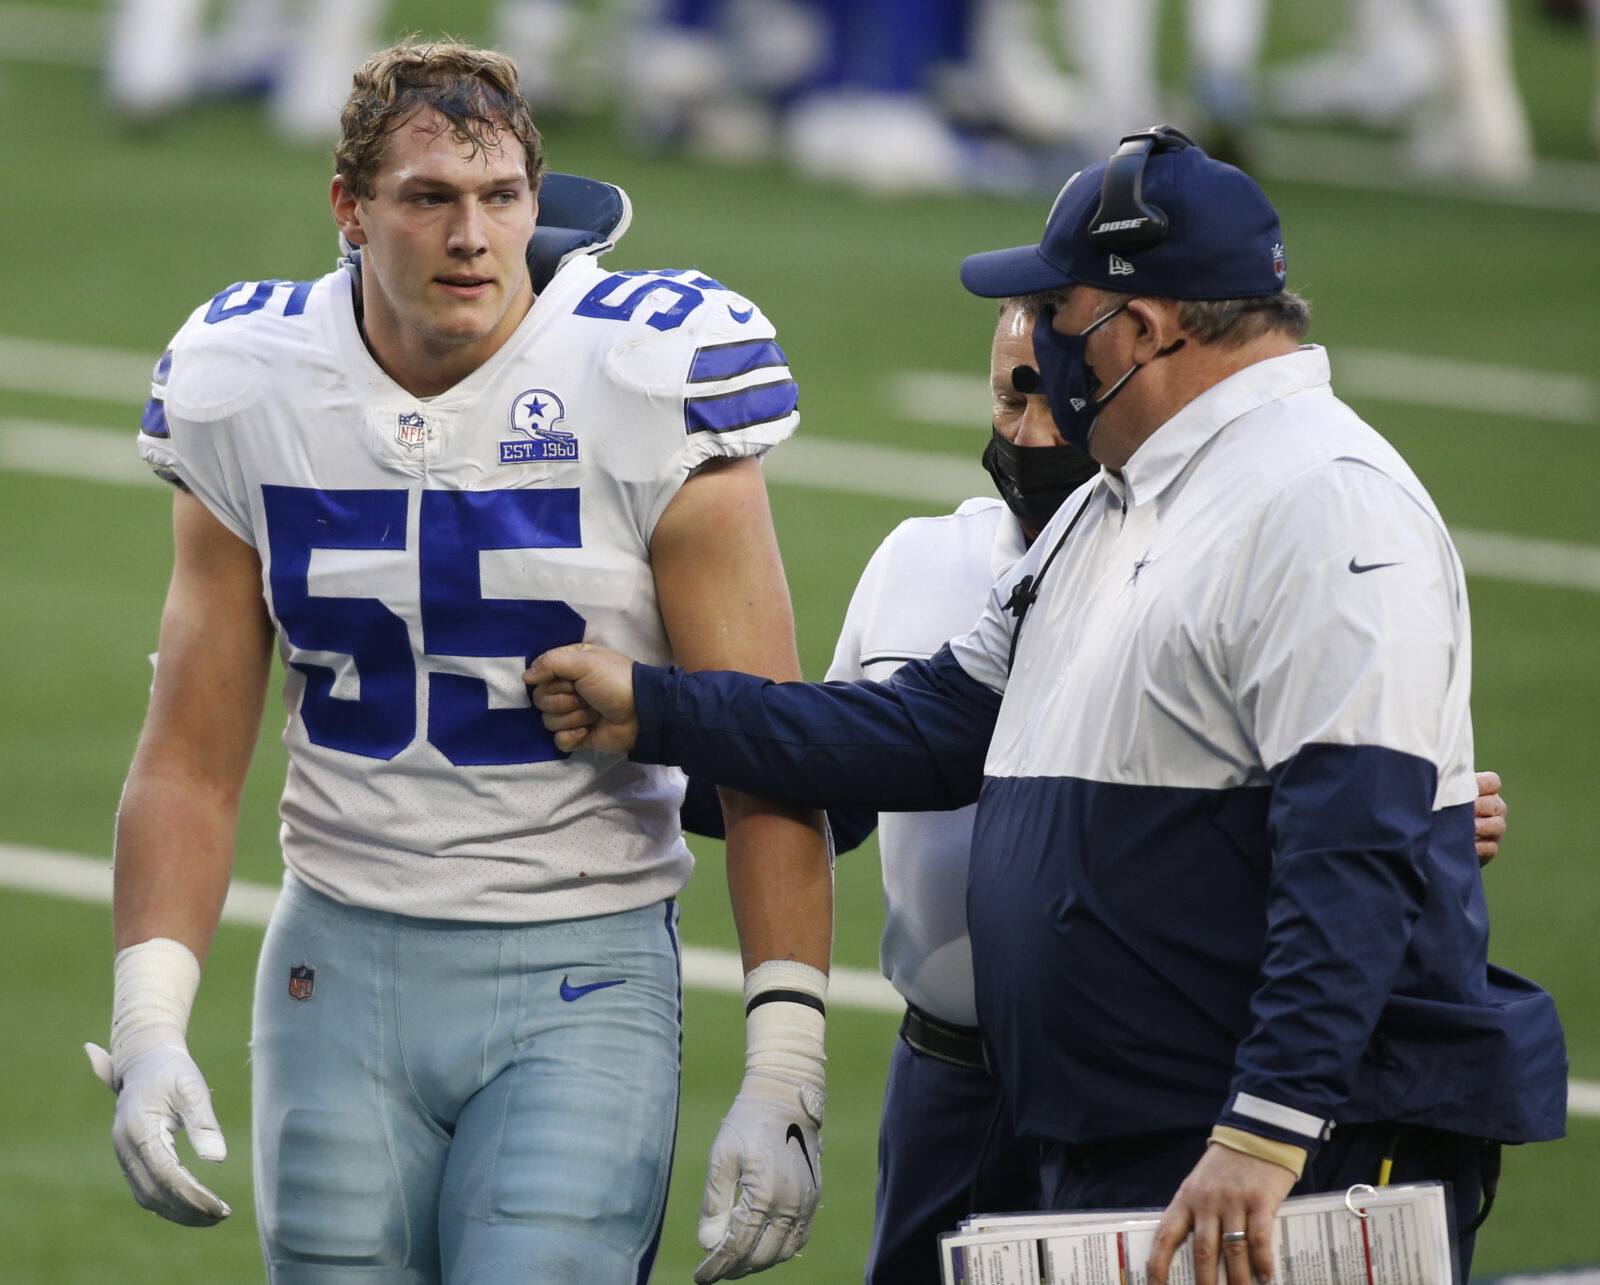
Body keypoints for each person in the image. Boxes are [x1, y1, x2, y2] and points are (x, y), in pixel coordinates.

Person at [527, 127, 1567, 1283]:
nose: (1049, 346)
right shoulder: (1120, 500)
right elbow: (920, 728)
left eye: (1061, 312)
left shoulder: (1324, 502)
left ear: (1143, 328)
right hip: (1123, 1129)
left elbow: (1353, 849)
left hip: (1265, 1153)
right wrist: (654, 709)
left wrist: (1266, 1132)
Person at [86, 40, 834, 1285]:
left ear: (538, 205)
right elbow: (188, 756)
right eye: (429, 197)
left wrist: (786, 1060)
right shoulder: (246, 381)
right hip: (337, 964)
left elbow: (767, 746)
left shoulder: (650, 376)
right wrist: (150, 1019)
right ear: (351, 210)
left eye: (499, 198)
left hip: (579, 967)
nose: (471, 237)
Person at [825, 294, 1512, 1283]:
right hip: (953, 1072)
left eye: (1053, 390)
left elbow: (1343, 806)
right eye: (1008, 394)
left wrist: (1428, 821)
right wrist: (658, 739)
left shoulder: (1229, 546)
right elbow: (843, 773)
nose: (1029, 426)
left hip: (1149, 1082)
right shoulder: (921, 560)